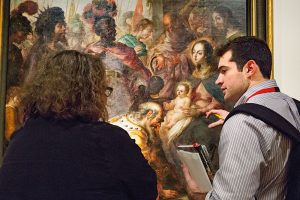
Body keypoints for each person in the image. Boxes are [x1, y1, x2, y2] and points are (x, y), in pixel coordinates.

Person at [0, 50, 157, 200]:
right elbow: (146, 191)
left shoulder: (20, 141)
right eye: (103, 90)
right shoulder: (108, 139)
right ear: (91, 94)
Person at [184, 36, 300, 199]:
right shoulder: (292, 106)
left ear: (249, 68)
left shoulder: (243, 123)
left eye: (224, 71)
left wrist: (201, 195)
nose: (218, 80)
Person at [109, 102, 182, 199]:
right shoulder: (137, 138)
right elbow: (143, 170)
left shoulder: (126, 118)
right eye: (158, 120)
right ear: (149, 114)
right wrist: (160, 192)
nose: (158, 125)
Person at [85, 16, 151, 118]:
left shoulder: (125, 50)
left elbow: (135, 72)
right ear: (100, 32)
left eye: (113, 28)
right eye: (108, 29)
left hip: (120, 89)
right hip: (99, 90)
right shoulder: (92, 49)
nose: (113, 31)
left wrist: (140, 84)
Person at [23, 7, 67, 82]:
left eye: (64, 25)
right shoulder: (38, 51)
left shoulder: (60, 47)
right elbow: (29, 79)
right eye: (59, 26)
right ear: (50, 30)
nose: (64, 28)